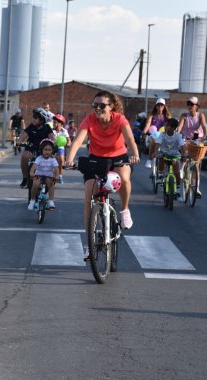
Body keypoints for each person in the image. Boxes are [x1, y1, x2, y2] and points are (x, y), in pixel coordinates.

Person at [65, 90, 140, 258]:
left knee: (125, 178)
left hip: (118, 158)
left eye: (102, 105)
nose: (98, 108)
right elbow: (78, 141)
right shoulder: (89, 120)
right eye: (95, 105)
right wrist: (68, 160)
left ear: (111, 107)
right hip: (96, 159)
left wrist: (135, 154)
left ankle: (125, 210)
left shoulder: (119, 119)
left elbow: (130, 140)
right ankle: (89, 243)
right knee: (89, 197)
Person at [18, 107, 56, 189]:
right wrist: (19, 141)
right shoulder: (31, 126)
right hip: (31, 148)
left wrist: (53, 146)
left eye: (36, 117)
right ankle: (25, 178)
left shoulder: (47, 128)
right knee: (25, 156)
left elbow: (52, 139)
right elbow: (23, 134)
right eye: (33, 117)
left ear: (42, 120)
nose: (33, 119)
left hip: (43, 149)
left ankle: (50, 178)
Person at [178, 96, 207, 197]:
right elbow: (179, 128)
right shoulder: (184, 116)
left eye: (192, 104)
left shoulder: (200, 116)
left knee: (196, 165)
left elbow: (204, 126)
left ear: (197, 106)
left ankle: (197, 188)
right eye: (189, 104)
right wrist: (176, 134)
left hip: (197, 140)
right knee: (184, 151)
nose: (190, 106)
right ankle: (181, 169)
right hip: (186, 139)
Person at [154, 118, 184, 197]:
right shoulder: (162, 134)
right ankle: (160, 175)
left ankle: (177, 190)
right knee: (161, 157)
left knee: (177, 173)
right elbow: (157, 144)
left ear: (173, 128)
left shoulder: (178, 136)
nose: (165, 127)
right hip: (164, 154)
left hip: (175, 155)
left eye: (167, 126)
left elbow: (182, 146)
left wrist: (184, 154)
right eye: (165, 125)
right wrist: (156, 152)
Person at [28, 138, 59, 210]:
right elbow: (34, 166)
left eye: (49, 150)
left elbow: (56, 169)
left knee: (50, 185)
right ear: (42, 150)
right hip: (38, 176)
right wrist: (31, 172)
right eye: (45, 150)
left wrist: (57, 175)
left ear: (52, 151)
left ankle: (51, 201)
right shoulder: (39, 158)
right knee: (35, 185)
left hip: (48, 176)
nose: (47, 152)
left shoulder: (53, 159)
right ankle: (32, 200)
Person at [143, 98, 172, 168]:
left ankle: (161, 172)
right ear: (156, 106)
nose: (160, 107)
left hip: (164, 136)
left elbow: (170, 126)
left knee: (163, 154)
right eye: (158, 105)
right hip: (154, 135)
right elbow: (147, 125)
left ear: (164, 107)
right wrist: (144, 132)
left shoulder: (167, 116)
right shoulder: (152, 116)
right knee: (153, 140)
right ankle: (149, 160)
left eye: (161, 105)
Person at [52, 113, 70, 183]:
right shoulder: (52, 130)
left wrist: (68, 143)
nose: (54, 123)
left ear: (60, 123)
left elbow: (68, 139)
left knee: (61, 160)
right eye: (53, 122)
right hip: (52, 146)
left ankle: (60, 175)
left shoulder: (64, 131)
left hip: (60, 147)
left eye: (55, 122)